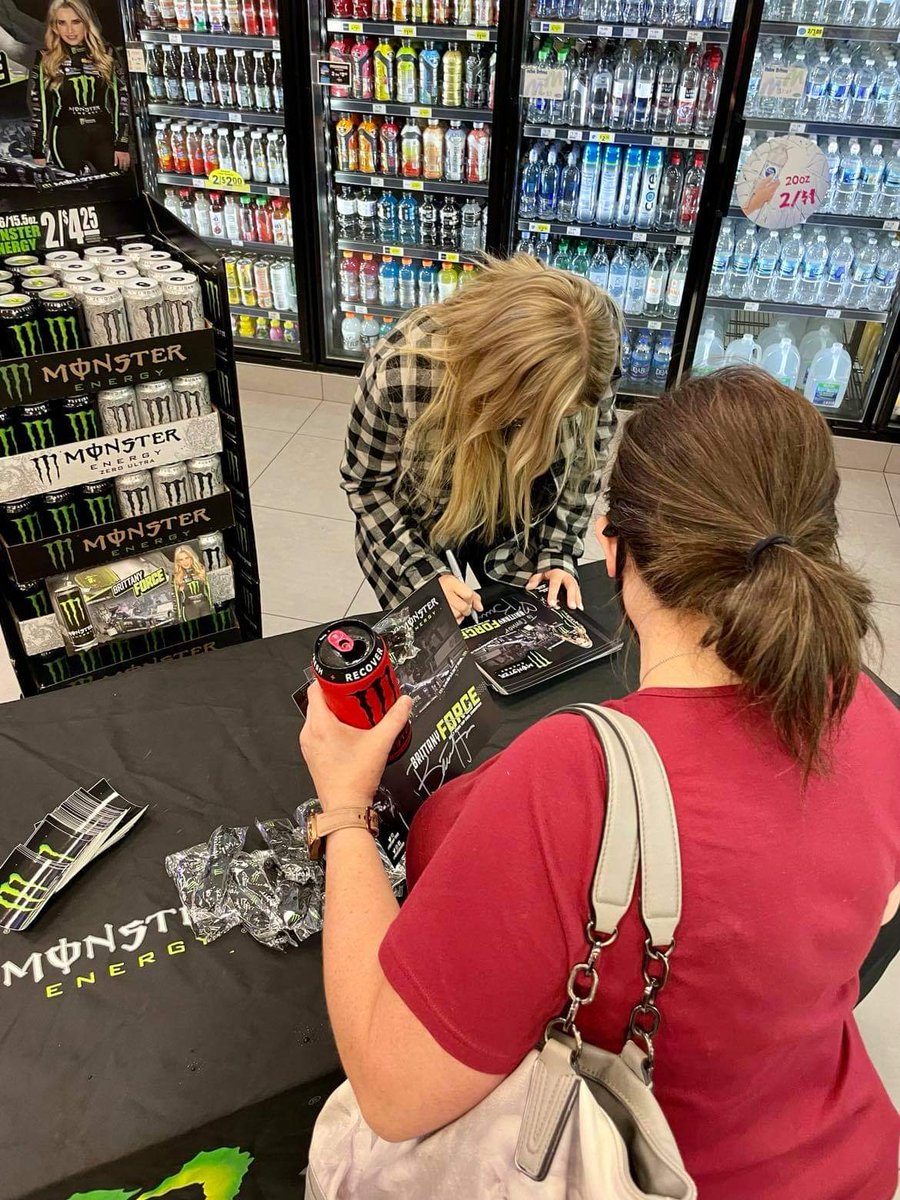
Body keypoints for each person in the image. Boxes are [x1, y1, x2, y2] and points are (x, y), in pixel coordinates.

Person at [301, 367, 900, 1200]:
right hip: (850, 1158)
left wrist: (342, 807)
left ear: (611, 547)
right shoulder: (873, 711)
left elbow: (392, 1093)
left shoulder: (571, 782)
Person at [340, 254, 622, 621]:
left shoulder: (594, 343)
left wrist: (558, 551)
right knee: (438, 642)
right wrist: (424, 577)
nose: (537, 428)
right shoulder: (405, 368)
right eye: (531, 412)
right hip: (415, 523)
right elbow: (366, 485)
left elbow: (589, 455)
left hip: (523, 510)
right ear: (495, 378)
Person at [29, 0, 131, 177]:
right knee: (74, 189)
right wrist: (38, 150)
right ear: (54, 27)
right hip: (66, 136)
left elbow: (121, 101)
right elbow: (41, 108)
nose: (70, 30)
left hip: (104, 134)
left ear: (86, 22)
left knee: (115, 184)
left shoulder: (107, 54)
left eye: (76, 22)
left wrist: (122, 143)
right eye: (62, 23)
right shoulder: (45, 58)